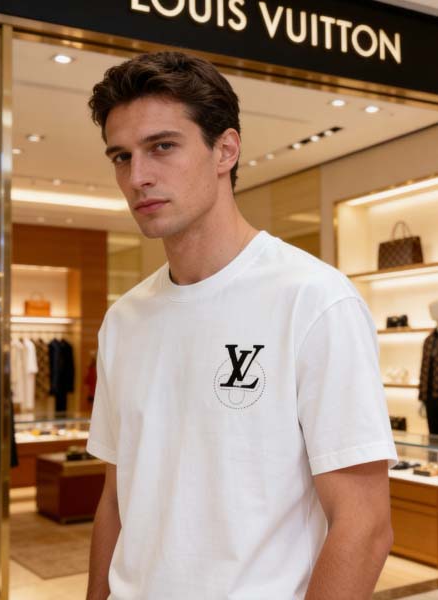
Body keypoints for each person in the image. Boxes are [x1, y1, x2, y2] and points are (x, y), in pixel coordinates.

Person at [86, 51, 397, 600]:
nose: (137, 177)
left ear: (225, 150)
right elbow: (116, 496)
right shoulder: (123, 319)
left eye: (162, 146)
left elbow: (364, 525)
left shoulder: (314, 300)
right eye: (121, 156)